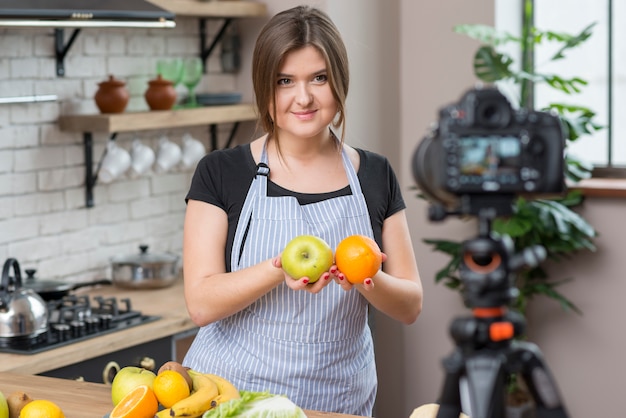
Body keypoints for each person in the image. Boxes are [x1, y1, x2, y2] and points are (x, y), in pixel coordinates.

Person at [182, 5, 423, 416]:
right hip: (233, 396)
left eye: (319, 78)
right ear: (265, 87)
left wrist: (365, 277)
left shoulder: (376, 173)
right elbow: (201, 303)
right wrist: (279, 267)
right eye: (285, 81)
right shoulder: (221, 171)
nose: (304, 97)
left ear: (339, 82)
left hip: (337, 399)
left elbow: (410, 305)